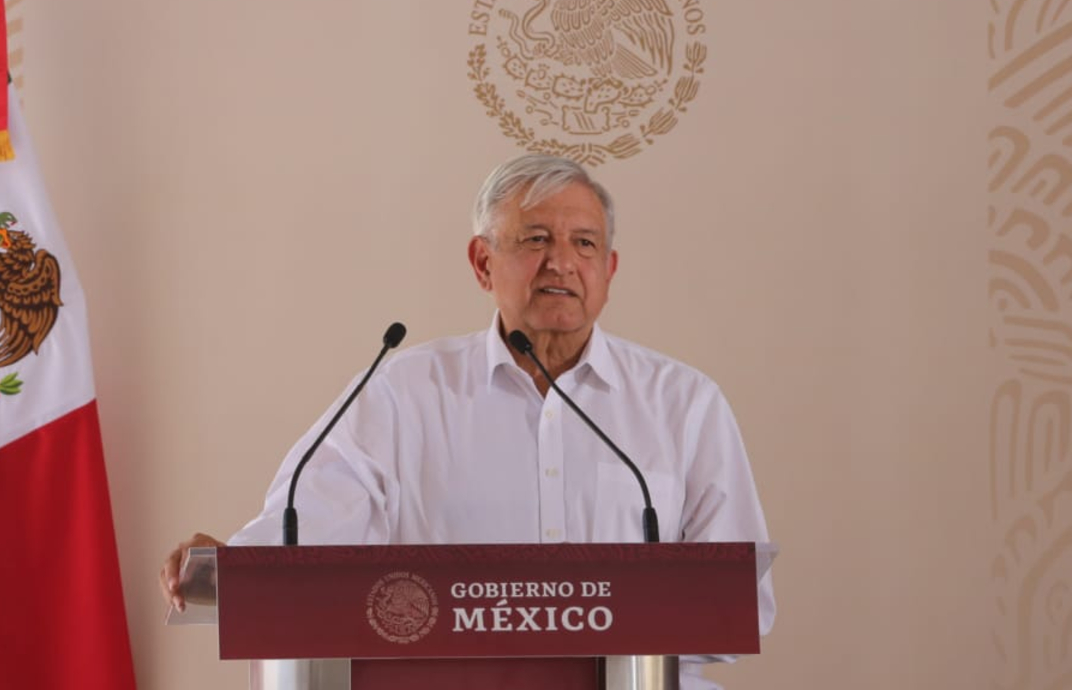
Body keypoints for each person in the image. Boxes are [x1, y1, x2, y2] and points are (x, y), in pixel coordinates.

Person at [160, 154, 774, 688]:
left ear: (610, 271)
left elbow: (740, 604)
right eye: (535, 239)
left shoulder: (683, 403)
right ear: (482, 263)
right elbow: (309, 530)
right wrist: (238, 569)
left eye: (584, 243)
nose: (562, 262)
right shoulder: (402, 393)